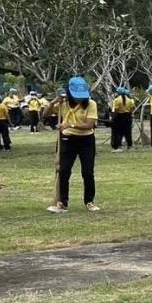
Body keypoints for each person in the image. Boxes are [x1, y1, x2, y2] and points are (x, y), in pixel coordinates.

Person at [49, 77, 102, 214]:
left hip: (86, 141)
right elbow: (44, 114)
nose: (79, 99)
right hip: (67, 139)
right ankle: (62, 202)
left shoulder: (91, 104)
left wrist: (70, 124)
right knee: (63, 171)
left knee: (88, 172)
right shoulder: (64, 103)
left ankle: (89, 201)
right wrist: (54, 102)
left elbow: (89, 125)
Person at [110, 86, 135, 151]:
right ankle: (130, 146)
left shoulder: (117, 100)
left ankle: (119, 146)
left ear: (118, 93)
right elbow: (132, 109)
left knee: (119, 132)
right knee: (128, 132)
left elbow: (116, 110)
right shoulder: (129, 100)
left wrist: (113, 118)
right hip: (128, 117)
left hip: (119, 117)